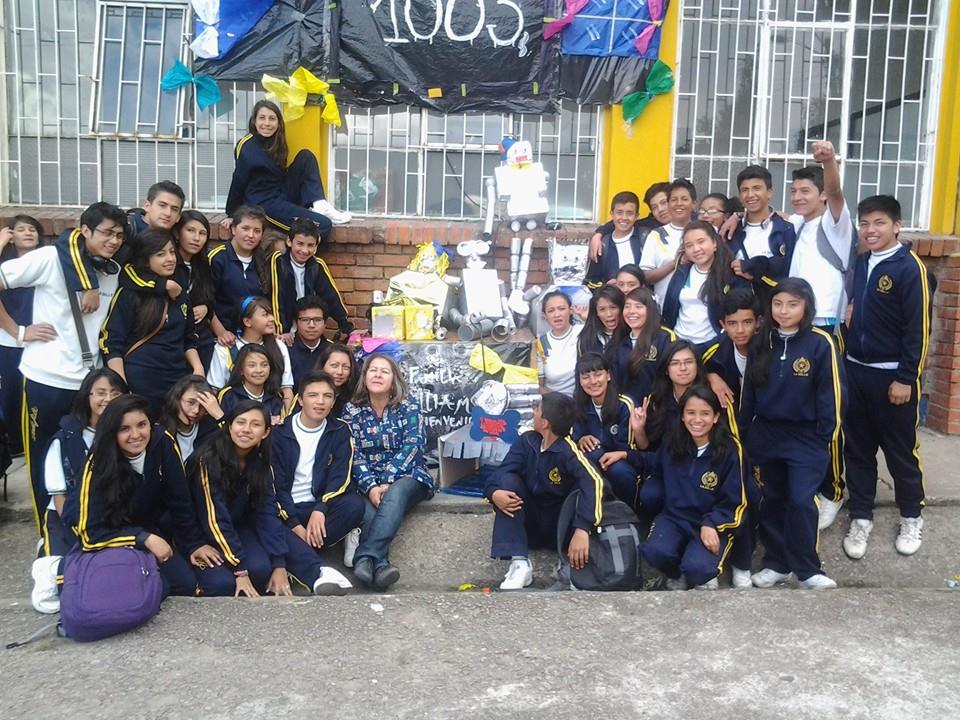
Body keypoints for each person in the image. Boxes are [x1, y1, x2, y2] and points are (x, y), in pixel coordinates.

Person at [0, 202, 127, 531]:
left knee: (86, 459)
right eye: (106, 233)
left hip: (89, 383)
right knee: (44, 460)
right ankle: (48, 534)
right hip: (46, 379)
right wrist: (18, 331)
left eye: (119, 235)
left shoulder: (110, 270)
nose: (113, 241)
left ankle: (82, 528)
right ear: (85, 231)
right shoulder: (49, 258)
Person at [842, 195, 935, 561]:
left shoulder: (910, 268)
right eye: (864, 223)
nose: (870, 230)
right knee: (858, 450)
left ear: (897, 226)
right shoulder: (863, 262)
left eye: (879, 222)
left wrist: (906, 378)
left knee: (900, 452)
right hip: (856, 372)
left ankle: (911, 516)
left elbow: (918, 330)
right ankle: (861, 516)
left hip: (892, 379)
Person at [740, 278, 843, 590]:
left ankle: (808, 569)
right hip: (767, 435)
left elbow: (832, 395)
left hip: (806, 438)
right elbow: (749, 393)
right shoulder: (761, 341)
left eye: (792, 304)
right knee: (772, 500)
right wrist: (746, 433)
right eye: (778, 304)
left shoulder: (820, 343)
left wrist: (824, 436)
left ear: (806, 307)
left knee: (800, 501)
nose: (784, 311)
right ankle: (777, 563)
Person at [187, 400, 346, 596]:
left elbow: (267, 512)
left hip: (238, 525)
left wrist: (279, 564)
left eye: (255, 424)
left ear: (266, 432)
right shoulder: (207, 460)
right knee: (222, 584)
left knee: (261, 569)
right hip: (201, 532)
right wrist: (240, 569)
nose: (246, 429)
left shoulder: (261, 461)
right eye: (240, 422)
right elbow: (215, 519)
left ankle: (319, 574)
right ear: (229, 426)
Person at [59, 395, 210, 597]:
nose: (136, 435)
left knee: (185, 584)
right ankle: (56, 566)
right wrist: (143, 539)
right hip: (108, 536)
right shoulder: (98, 464)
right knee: (149, 589)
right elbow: (90, 533)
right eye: (124, 429)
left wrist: (194, 544)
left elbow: (180, 500)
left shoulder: (163, 441)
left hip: (147, 528)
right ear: (112, 432)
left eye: (142, 425)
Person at [786, 141, 857, 528]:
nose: (798, 197)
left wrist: (828, 162)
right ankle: (811, 484)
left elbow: (837, 192)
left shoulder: (835, 225)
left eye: (806, 191)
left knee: (829, 413)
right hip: (797, 328)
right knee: (803, 411)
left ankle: (834, 490)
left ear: (822, 196)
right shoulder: (799, 225)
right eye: (794, 191)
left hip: (826, 328)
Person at [484, 392, 612, 590]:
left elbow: (595, 481)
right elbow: (502, 472)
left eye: (537, 409)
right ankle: (520, 564)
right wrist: (493, 493)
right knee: (508, 480)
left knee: (583, 486)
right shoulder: (527, 441)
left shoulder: (568, 451)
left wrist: (582, 528)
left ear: (545, 423)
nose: (533, 411)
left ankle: (566, 564)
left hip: (559, 529)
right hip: (531, 525)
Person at [628, 386, 747, 590]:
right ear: (682, 416)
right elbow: (654, 463)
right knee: (654, 552)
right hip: (674, 517)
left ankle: (698, 570)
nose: (697, 420)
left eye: (705, 413)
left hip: (709, 522)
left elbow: (736, 503)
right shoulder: (673, 442)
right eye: (691, 413)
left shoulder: (730, 450)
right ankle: (676, 574)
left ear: (716, 417)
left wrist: (712, 523)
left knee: (699, 569)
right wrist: (625, 455)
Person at [343, 354, 433, 591]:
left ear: (394, 380)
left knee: (395, 493)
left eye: (384, 371)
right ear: (365, 376)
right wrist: (371, 486)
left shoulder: (409, 406)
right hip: (366, 479)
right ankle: (381, 566)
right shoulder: (352, 410)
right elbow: (353, 452)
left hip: (409, 475)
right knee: (370, 509)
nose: (377, 375)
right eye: (373, 370)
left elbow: (414, 445)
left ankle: (364, 555)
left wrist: (386, 481)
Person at [271, 371, 364, 580]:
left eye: (327, 396)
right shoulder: (280, 432)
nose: (320, 402)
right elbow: (276, 484)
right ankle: (309, 557)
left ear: (333, 401)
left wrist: (321, 508)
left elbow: (340, 476)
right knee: (269, 520)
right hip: (286, 508)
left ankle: (298, 552)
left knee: (354, 506)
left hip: (319, 507)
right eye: (313, 395)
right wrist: (294, 524)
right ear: (300, 400)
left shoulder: (339, 430)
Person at [100, 229, 204, 418]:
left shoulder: (179, 294)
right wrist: (122, 388)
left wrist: (198, 370)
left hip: (176, 383)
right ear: (146, 259)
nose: (170, 259)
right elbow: (111, 343)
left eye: (172, 252)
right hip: (140, 381)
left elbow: (189, 339)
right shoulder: (130, 295)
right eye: (160, 254)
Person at [701, 289, 763, 588]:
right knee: (738, 491)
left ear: (758, 322)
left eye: (747, 322)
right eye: (732, 323)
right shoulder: (717, 349)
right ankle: (737, 562)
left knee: (754, 493)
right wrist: (712, 376)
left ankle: (744, 561)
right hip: (731, 439)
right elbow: (689, 360)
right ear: (722, 324)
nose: (740, 330)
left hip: (765, 436)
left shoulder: (771, 347)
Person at [223, 99, 350, 242]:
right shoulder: (246, 146)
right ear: (254, 121)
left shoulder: (277, 142)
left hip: (282, 193)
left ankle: (319, 204)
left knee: (306, 157)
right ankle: (293, 254)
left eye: (272, 119)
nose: (267, 123)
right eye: (262, 118)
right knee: (323, 225)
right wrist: (232, 214)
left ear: (278, 123)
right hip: (265, 205)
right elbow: (238, 181)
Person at [38, 368, 128, 559]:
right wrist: (77, 531)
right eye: (101, 393)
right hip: (69, 518)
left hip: (110, 517)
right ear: (87, 396)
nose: (108, 399)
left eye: (115, 393)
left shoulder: (128, 433)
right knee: (67, 568)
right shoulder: (66, 438)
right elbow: (59, 496)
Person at [0, 214, 44, 455]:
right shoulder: (6, 266)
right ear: (10, 236)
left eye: (32, 229)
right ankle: (15, 444)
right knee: (12, 394)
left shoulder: (47, 262)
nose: (28, 233)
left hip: (41, 339)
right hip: (10, 339)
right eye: (21, 229)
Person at [660, 221, 740, 351]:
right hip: (679, 344)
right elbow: (669, 309)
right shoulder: (682, 272)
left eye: (701, 242)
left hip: (714, 346)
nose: (696, 249)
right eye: (689, 245)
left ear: (714, 243)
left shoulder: (729, 274)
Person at [573, 353, 639, 509]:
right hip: (593, 458)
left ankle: (628, 513)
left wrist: (607, 454)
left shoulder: (624, 404)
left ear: (608, 375)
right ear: (580, 380)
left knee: (621, 472)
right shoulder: (578, 403)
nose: (593, 381)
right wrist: (581, 440)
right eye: (586, 377)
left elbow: (629, 447)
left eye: (598, 374)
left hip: (620, 459)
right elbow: (574, 439)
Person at [269, 218, 352, 340]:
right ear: (289, 241)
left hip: (308, 325)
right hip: (285, 327)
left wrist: (346, 326)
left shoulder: (317, 265)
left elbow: (331, 296)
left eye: (310, 245)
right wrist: (282, 331)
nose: (305, 250)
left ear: (316, 246)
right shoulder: (279, 261)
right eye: (300, 244)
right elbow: (277, 298)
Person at [207, 296, 294, 409]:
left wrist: (286, 417)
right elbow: (215, 389)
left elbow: (286, 388)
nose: (272, 319)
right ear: (247, 321)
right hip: (234, 412)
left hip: (272, 411)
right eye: (265, 315)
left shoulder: (279, 346)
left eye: (271, 314)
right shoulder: (225, 348)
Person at [726, 165, 797, 301]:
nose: (750, 195)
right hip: (736, 308)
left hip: (772, 307)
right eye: (745, 190)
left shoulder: (786, 229)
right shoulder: (731, 230)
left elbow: (788, 270)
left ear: (769, 192)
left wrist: (756, 270)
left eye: (756, 188)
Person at [207, 205, 270, 346]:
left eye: (257, 231)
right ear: (234, 229)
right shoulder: (217, 258)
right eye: (245, 228)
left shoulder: (262, 261)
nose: (251, 235)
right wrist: (221, 332)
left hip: (254, 337)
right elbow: (206, 302)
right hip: (222, 338)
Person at [634, 340, 705, 452]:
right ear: (666, 369)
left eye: (688, 362)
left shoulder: (711, 398)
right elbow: (649, 449)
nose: (683, 368)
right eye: (675, 363)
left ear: (697, 365)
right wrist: (638, 430)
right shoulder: (656, 400)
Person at [609, 287, 676, 404]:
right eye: (627, 306)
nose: (631, 311)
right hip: (627, 410)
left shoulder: (664, 338)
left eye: (638, 306)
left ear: (650, 309)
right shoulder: (619, 342)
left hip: (659, 408)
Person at [639, 179, 698, 304]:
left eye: (684, 199)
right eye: (674, 200)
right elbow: (645, 276)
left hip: (699, 309)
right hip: (665, 308)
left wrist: (737, 216)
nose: (679, 204)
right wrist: (675, 262)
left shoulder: (705, 231)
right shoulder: (655, 235)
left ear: (693, 203)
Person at [174, 210, 218, 370]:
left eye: (202, 233)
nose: (196, 238)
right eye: (190, 231)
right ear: (178, 233)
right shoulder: (168, 263)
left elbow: (210, 298)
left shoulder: (203, 264)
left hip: (201, 339)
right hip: (175, 340)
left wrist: (206, 307)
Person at [588, 181, 672, 262]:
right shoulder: (650, 226)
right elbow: (622, 222)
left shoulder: (681, 227)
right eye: (654, 207)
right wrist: (599, 234)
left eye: (664, 203)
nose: (660, 209)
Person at [585, 192, 647, 289]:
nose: (624, 218)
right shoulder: (602, 245)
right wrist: (606, 287)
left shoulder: (645, 238)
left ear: (636, 216)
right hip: (612, 298)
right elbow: (591, 281)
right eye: (619, 212)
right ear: (612, 214)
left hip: (640, 297)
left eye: (630, 213)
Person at [217, 344, 288, 425]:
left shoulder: (276, 396)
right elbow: (222, 427)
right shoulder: (229, 395)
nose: (259, 370)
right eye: (252, 365)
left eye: (264, 365)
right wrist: (265, 422)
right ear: (241, 369)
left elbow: (281, 428)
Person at [160, 375, 224, 461]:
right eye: (190, 402)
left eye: (202, 406)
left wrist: (219, 415)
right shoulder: (160, 433)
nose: (196, 410)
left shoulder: (211, 429)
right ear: (176, 399)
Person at [533, 291, 582, 397]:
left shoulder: (582, 332)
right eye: (551, 311)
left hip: (584, 400)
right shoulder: (541, 343)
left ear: (571, 310)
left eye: (561, 309)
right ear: (545, 316)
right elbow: (539, 386)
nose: (557, 314)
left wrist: (585, 318)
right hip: (555, 401)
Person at [288, 296, 332, 389]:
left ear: (325, 324)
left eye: (317, 320)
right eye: (305, 320)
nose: (311, 325)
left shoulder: (332, 350)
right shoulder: (286, 348)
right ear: (296, 323)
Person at [577, 285, 625, 357]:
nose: (609, 314)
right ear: (596, 312)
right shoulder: (587, 337)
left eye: (613, 307)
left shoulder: (631, 335)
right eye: (602, 309)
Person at [314, 342, 359, 419]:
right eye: (334, 365)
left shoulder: (356, 398)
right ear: (322, 366)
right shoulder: (309, 393)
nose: (340, 372)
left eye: (346, 367)